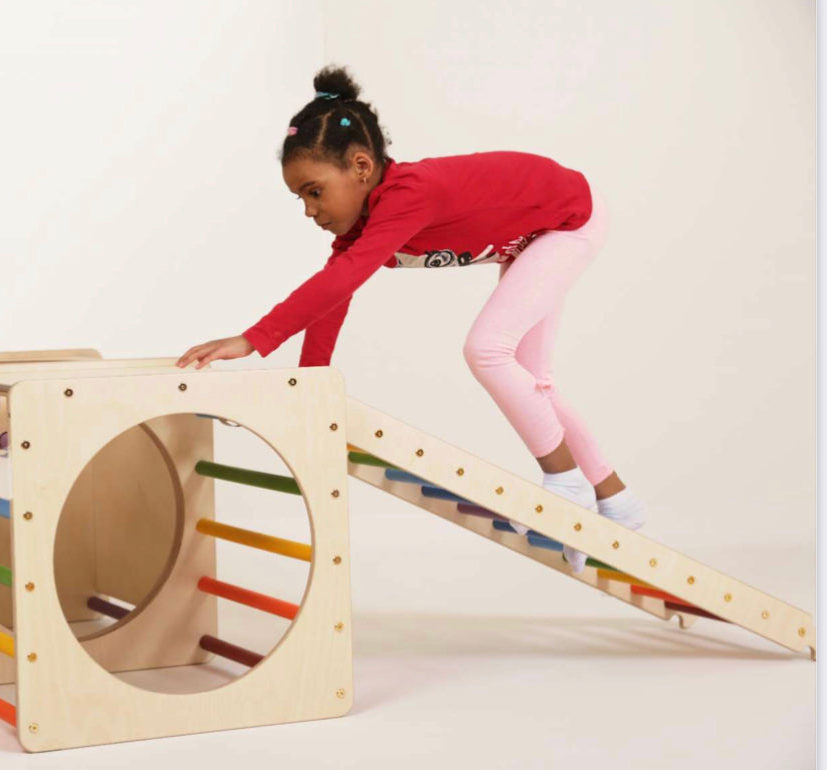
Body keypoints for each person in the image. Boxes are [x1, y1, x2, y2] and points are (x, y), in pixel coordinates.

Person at [177, 67, 643, 572]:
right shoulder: (363, 227)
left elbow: (338, 281)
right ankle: (618, 503)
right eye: (301, 198)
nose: (310, 210)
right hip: (535, 234)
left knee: (487, 349)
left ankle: (566, 487)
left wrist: (252, 340)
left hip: (570, 221)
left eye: (314, 191)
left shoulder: (408, 195)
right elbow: (336, 295)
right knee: (533, 380)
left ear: (361, 166)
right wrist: (309, 385)